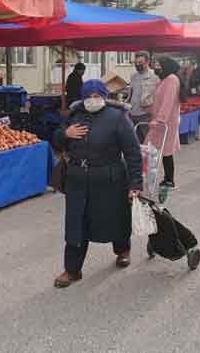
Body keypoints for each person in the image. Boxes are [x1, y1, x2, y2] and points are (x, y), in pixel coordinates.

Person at [52, 79, 142, 288]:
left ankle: (122, 250)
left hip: (109, 180)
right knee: (76, 223)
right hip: (77, 179)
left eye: (97, 96)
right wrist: (65, 134)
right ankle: (72, 270)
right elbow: (55, 140)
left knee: (116, 218)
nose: (93, 100)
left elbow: (132, 152)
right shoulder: (74, 116)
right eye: (88, 96)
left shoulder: (118, 117)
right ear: (82, 98)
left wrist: (135, 184)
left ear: (104, 96)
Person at [146, 56, 186, 190]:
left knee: (164, 149)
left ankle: (169, 180)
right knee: (162, 150)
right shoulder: (165, 80)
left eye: (158, 65)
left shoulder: (171, 80)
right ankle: (166, 178)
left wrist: (160, 120)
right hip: (161, 121)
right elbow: (159, 100)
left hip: (165, 122)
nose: (156, 68)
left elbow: (168, 102)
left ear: (166, 66)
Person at [127, 52, 160, 143]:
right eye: (136, 63)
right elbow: (132, 93)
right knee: (136, 142)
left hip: (146, 114)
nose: (138, 65)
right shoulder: (134, 76)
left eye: (140, 63)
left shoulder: (155, 77)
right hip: (133, 113)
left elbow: (158, 97)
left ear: (147, 62)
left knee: (148, 141)